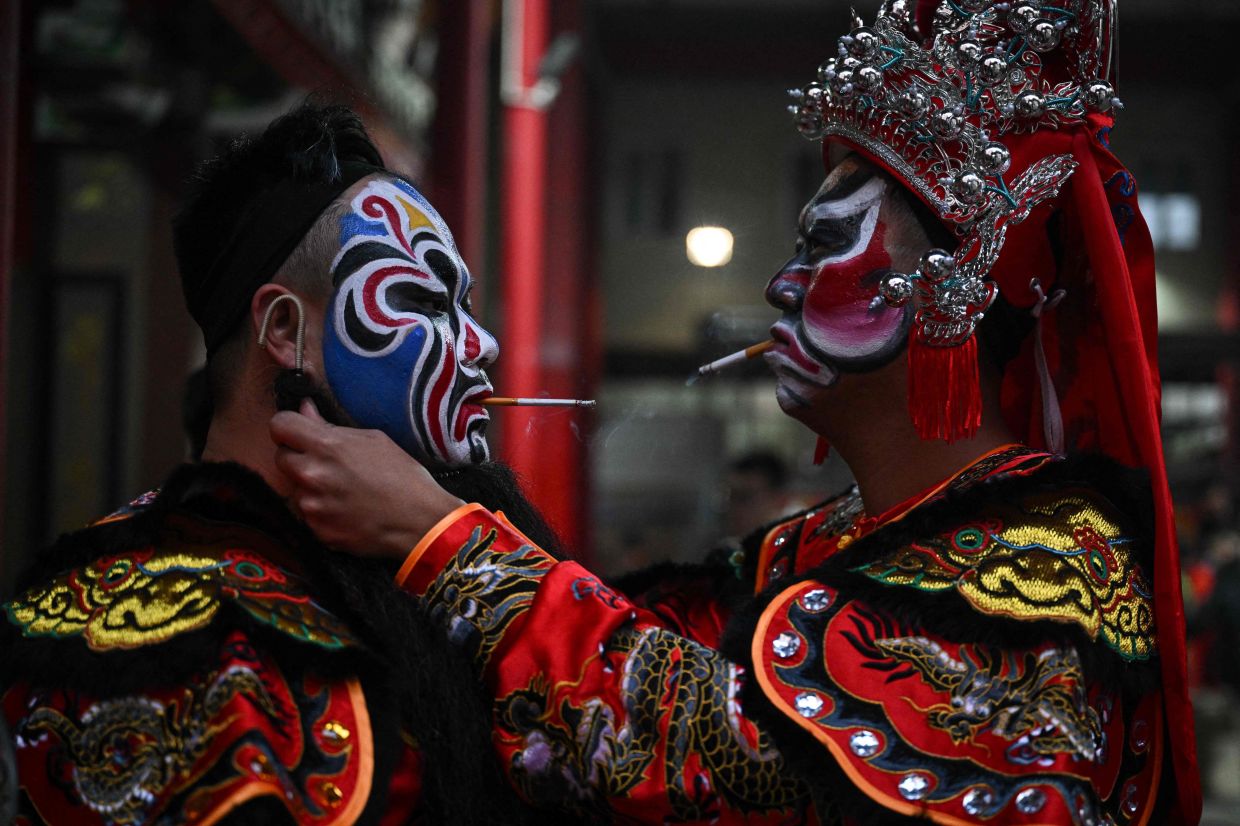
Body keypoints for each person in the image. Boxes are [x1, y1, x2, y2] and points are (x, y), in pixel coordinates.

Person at [273, 1, 1201, 824]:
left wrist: (448, 544)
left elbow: (740, 762)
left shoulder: (1051, 564)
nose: (779, 286)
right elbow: (643, 638)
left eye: (825, 247)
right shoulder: (824, 543)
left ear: (947, 291)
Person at [0, 102, 573, 824]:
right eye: (423, 300)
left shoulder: (417, 570)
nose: (482, 343)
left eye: (465, 304)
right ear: (283, 331)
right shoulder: (145, 626)